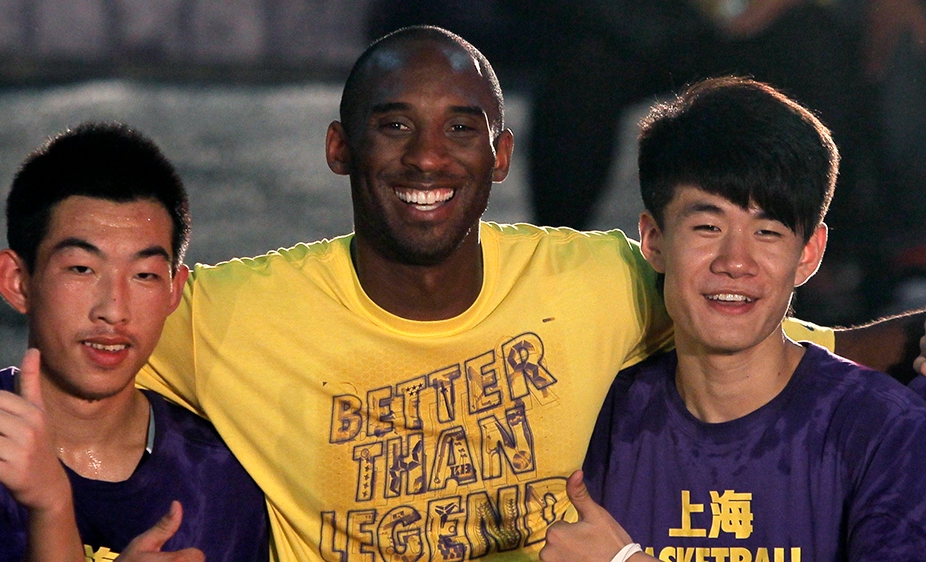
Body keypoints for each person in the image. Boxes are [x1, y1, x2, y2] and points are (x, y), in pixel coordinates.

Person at [132, 26, 926, 561]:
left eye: (461, 129)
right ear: (340, 147)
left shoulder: (594, 282)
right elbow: (85, 348)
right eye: (395, 126)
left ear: (502, 155)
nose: (428, 159)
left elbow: (781, 342)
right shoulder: (233, 312)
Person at [539, 77, 926, 562]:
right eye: (708, 226)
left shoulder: (883, 430)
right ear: (653, 240)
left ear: (809, 253)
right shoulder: (597, 420)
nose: (735, 262)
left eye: (767, 232)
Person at [0, 123, 269, 561]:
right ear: (17, 280)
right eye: (82, 269)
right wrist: (51, 505)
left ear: (173, 291)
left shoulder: (222, 485)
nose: (113, 309)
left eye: (144, 275)